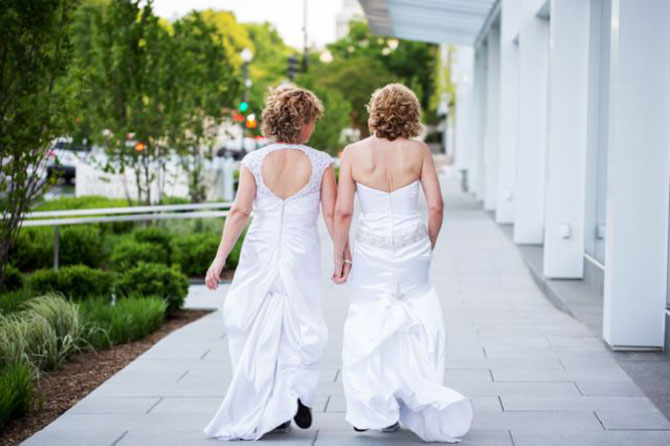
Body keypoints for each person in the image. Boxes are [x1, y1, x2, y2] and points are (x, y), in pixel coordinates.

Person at [203, 84, 347, 440]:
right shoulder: (320, 162)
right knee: (302, 322)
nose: (314, 127)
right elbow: (330, 213)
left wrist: (220, 259)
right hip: (301, 252)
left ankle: (272, 404)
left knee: (251, 323)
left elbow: (239, 211)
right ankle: (297, 391)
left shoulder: (253, 162)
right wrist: (342, 253)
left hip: (260, 252)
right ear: (302, 123)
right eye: (312, 120)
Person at [332, 83, 473, 442]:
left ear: (374, 112)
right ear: (411, 114)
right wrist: (428, 242)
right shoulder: (419, 152)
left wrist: (339, 253)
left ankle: (369, 410)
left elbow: (344, 210)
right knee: (417, 319)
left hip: (372, 250)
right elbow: (436, 205)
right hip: (412, 247)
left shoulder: (353, 153)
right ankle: (412, 397)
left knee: (368, 320)